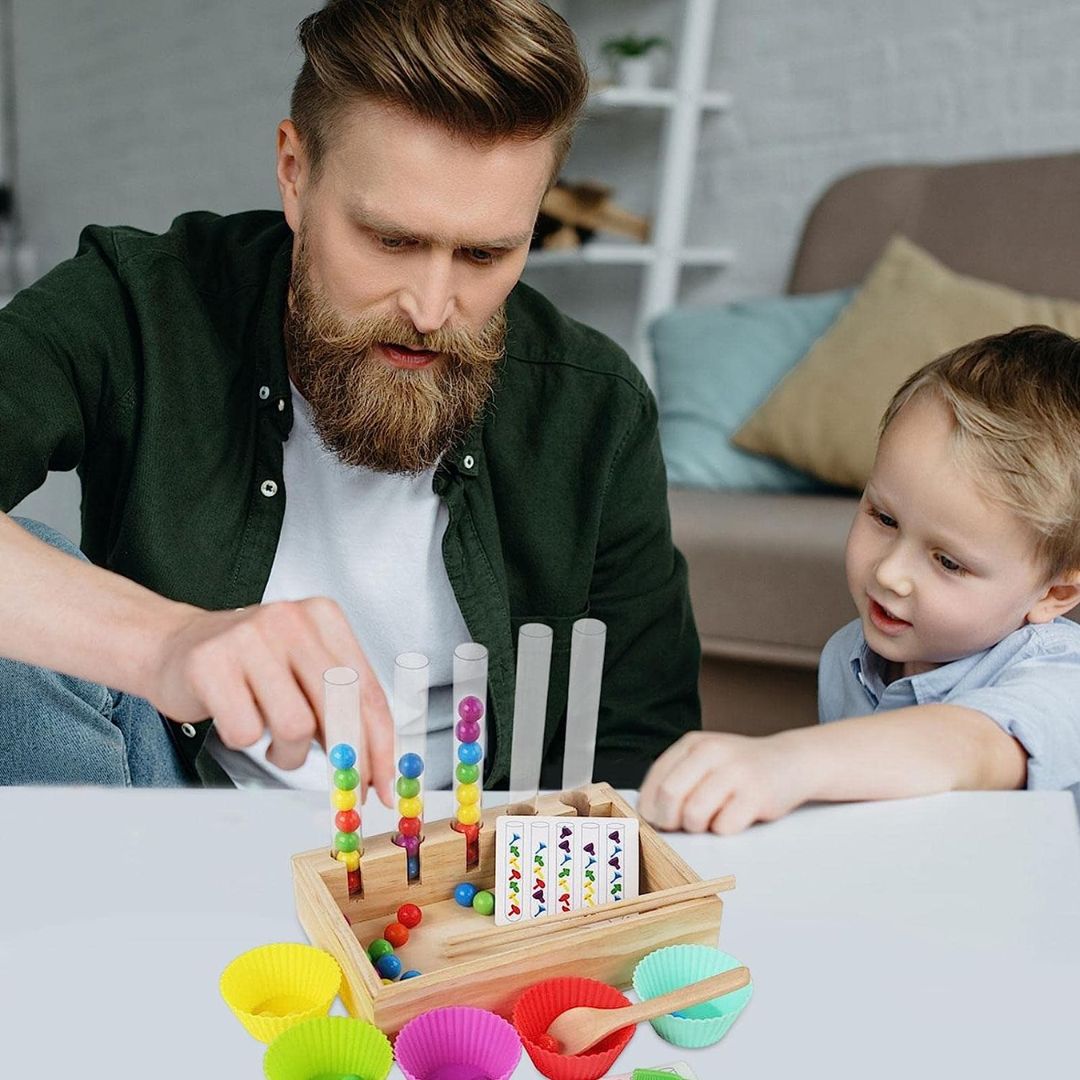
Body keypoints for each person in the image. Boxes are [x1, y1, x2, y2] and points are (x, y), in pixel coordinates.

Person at [0, 0, 701, 794]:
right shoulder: (138, 305)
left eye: (485, 253)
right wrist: (167, 644)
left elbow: (644, 748)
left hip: (460, 872)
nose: (432, 309)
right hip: (174, 822)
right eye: (391, 240)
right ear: (295, 175)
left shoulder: (595, 407)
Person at [640, 326, 1080, 834]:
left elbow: (970, 747)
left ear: (1054, 594)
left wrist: (790, 760)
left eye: (949, 563)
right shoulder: (850, 657)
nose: (889, 573)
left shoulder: (1060, 677)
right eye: (884, 518)